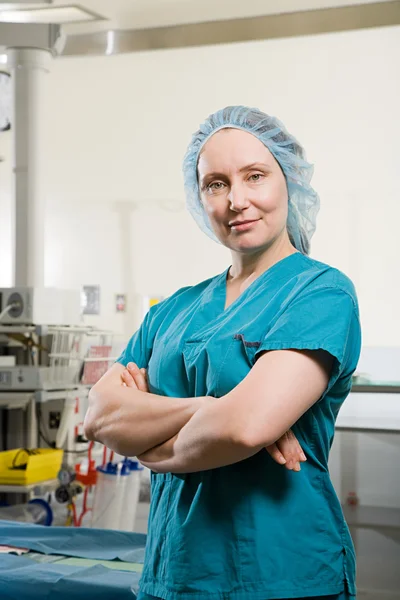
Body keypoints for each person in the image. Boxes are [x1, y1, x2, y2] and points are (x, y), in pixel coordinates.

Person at [84, 106, 361, 600]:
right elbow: (101, 418)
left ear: (289, 181)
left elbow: (244, 428)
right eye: (215, 183)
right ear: (199, 197)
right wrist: (210, 410)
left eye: (255, 176)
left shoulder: (320, 294)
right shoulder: (172, 310)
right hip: (175, 572)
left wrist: (154, 437)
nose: (237, 199)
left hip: (279, 573)